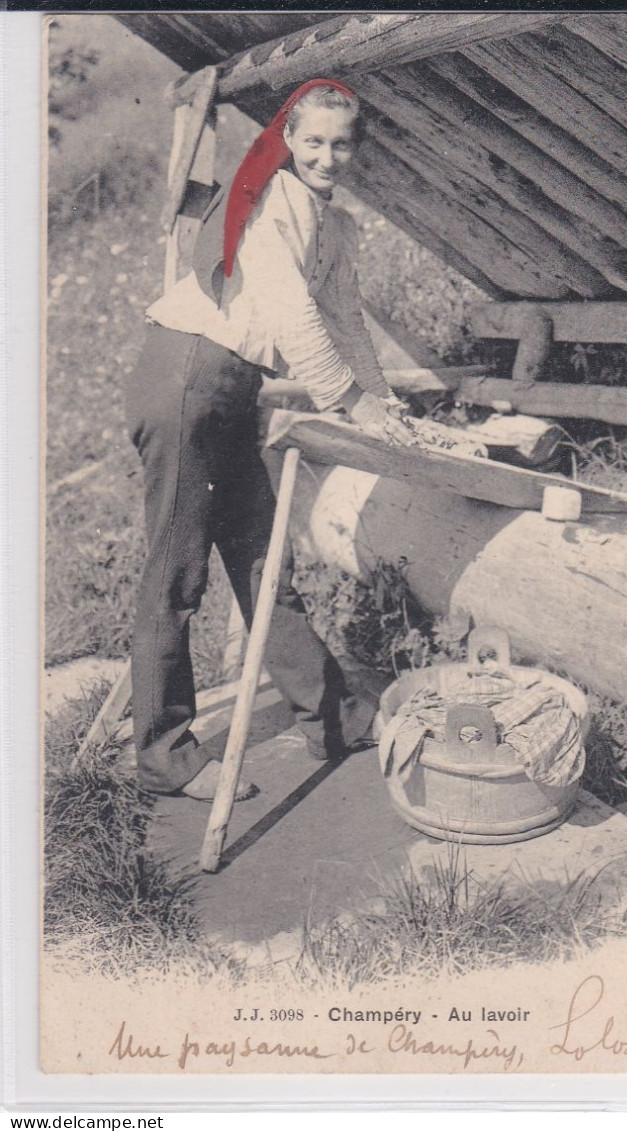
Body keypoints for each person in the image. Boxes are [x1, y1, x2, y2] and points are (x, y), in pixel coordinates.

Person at [125, 78, 416, 801]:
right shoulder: (272, 203)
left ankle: (334, 714)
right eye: (312, 141)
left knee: (259, 555)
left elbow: (345, 320)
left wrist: (381, 403)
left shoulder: (337, 227)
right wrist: (345, 399)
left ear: (357, 149)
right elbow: (288, 309)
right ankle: (164, 752)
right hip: (187, 372)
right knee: (178, 568)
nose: (326, 156)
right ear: (288, 141)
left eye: (340, 144)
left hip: (232, 385)